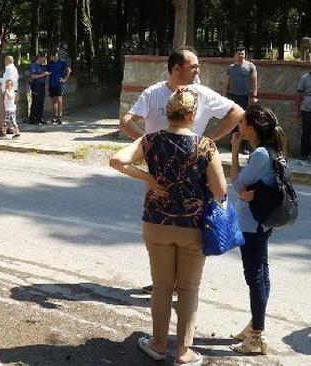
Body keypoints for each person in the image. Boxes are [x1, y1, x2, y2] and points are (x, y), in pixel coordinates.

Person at [110, 87, 227, 366]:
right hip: (193, 226)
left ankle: (158, 345)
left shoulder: (150, 140)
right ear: (192, 114)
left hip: (156, 222)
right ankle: (184, 353)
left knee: (162, 287)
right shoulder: (206, 146)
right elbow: (220, 190)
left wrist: (149, 180)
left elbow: (116, 160)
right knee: (188, 289)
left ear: (169, 113)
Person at [121, 46, 243, 295]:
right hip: (159, 176)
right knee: (155, 227)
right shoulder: (154, 93)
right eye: (194, 66)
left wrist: (211, 138)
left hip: (193, 176)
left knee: (192, 232)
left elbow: (237, 112)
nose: (198, 70)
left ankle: (182, 285)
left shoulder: (202, 95)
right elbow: (126, 121)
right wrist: (149, 146)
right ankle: (164, 281)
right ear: (176, 68)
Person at [229, 105, 287, 356]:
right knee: (261, 273)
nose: (239, 127)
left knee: (255, 276)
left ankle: (256, 337)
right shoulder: (272, 150)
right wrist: (244, 193)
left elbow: (236, 184)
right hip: (263, 222)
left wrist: (233, 151)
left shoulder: (261, 154)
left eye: (242, 123)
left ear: (251, 128)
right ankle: (255, 325)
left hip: (252, 224)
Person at [223, 47, 257, 154]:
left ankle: (244, 146)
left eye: (242, 53)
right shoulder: (231, 68)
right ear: (235, 55)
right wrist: (224, 96)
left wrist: (254, 96)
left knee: (244, 120)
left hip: (244, 97)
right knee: (232, 119)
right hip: (232, 97)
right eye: (239, 53)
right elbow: (226, 83)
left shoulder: (250, 66)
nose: (241, 55)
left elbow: (254, 82)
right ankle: (233, 143)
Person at [0, 55, 19, 136]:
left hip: (8, 92)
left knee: (3, 111)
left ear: (7, 61)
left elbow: (7, 81)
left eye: (5, 61)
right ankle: (9, 129)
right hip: (13, 91)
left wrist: (6, 91)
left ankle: (2, 130)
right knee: (10, 113)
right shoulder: (14, 69)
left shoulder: (9, 69)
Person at [46, 51, 72, 125]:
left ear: (53, 56)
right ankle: (55, 116)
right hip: (52, 84)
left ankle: (60, 117)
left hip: (59, 84)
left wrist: (65, 79)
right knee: (54, 101)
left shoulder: (61, 62)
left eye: (51, 56)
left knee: (59, 100)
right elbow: (48, 74)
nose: (50, 58)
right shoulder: (50, 64)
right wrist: (47, 85)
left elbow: (69, 70)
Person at [28, 54, 50, 124]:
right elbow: (32, 76)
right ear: (39, 58)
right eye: (43, 59)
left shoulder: (42, 66)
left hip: (42, 85)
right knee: (36, 102)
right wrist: (43, 75)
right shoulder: (34, 65)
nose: (44, 61)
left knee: (41, 102)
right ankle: (32, 119)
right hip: (36, 85)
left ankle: (39, 118)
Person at [295, 71, 311, 166]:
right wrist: (297, 110)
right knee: (306, 133)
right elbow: (298, 95)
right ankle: (304, 154)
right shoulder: (304, 78)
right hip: (307, 110)